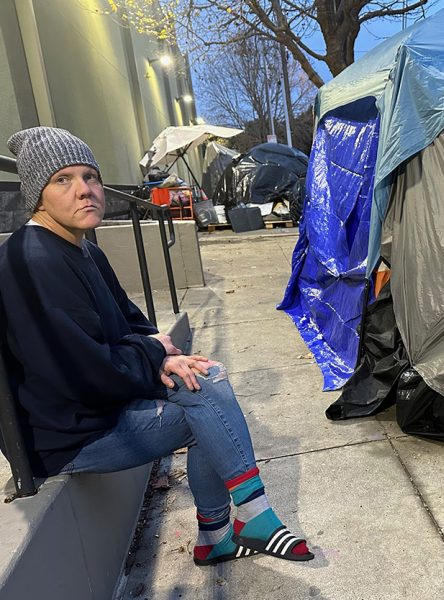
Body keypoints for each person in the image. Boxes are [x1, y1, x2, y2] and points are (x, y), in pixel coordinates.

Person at [0, 127, 313, 567]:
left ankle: (225, 530)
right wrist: (154, 354)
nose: (85, 190)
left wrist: (164, 352)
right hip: (67, 435)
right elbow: (84, 374)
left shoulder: (81, 248)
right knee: (207, 404)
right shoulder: (34, 261)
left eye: (90, 176)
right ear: (37, 194)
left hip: (96, 406)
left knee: (204, 379)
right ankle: (242, 520)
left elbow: (131, 321)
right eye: (63, 180)